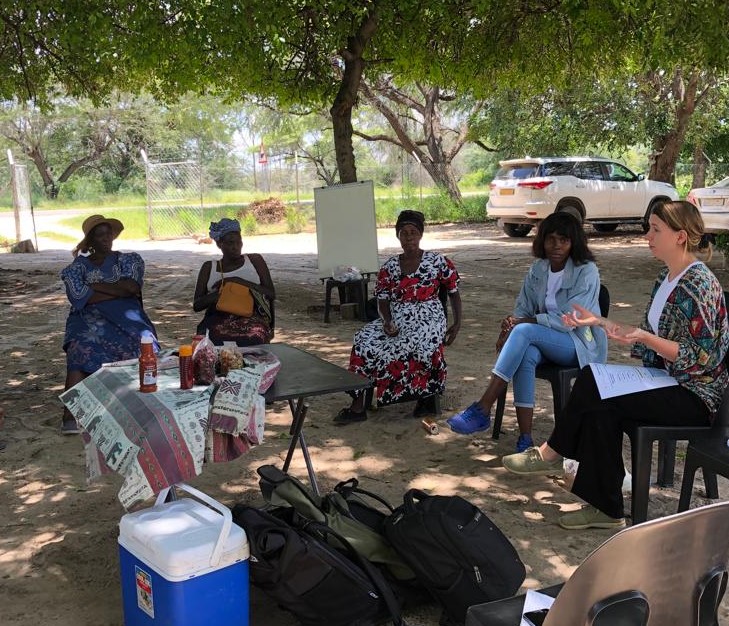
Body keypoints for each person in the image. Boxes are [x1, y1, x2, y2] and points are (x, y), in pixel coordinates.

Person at [502, 200, 728, 530]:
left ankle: (553, 453)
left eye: (655, 230)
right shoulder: (666, 277)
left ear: (680, 237)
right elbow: (641, 334)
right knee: (598, 395)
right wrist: (597, 321)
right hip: (665, 380)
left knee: (595, 387)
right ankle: (606, 508)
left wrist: (645, 339)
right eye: (648, 227)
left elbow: (701, 357)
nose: (647, 235)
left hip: (694, 395)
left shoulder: (699, 284)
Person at [447, 211, 607, 452]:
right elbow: (523, 306)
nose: (556, 246)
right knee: (526, 352)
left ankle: (482, 407)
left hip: (577, 343)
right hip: (544, 339)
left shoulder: (586, 271)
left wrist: (523, 322)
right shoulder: (539, 269)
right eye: (551, 239)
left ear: (574, 242)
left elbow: (570, 319)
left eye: (564, 240)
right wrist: (511, 323)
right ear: (541, 240)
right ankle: (525, 439)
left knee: (524, 332)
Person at [335, 210, 462, 424]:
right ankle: (359, 402)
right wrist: (386, 322)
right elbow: (382, 300)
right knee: (363, 340)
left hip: (429, 317)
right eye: (404, 233)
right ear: (398, 237)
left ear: (420, 235)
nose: (409, 237)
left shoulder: (439, 261)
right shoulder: (389, 268)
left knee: (414, 342)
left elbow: (453, 293)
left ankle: (426, 395)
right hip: (398, 316)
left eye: (413, 232)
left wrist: (457, 323)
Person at [61, 215, 158, 434]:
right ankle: (69, 415)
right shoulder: (77, 267)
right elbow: (79, 298)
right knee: (79, 346)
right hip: (88, 318)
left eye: (108, 233)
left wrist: (94, 286)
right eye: (99, 235)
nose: (106, 238)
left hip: (126, 315)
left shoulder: (128, 260)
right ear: (90, 240)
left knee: (144, 341)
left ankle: (145, 404)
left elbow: (132, 287)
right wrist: (115, 289)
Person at [193, 218, 275, 346]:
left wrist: (237, 282)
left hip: (251, 317)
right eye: (230, 243)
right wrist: (222, 294)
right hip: (218, 317)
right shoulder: (209, 267)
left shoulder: (254, 260)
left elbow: (271, 294)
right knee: (208, 338)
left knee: (255, 336)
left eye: (239, 242)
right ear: (219, 244)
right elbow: (197, 305)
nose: (236, 247)